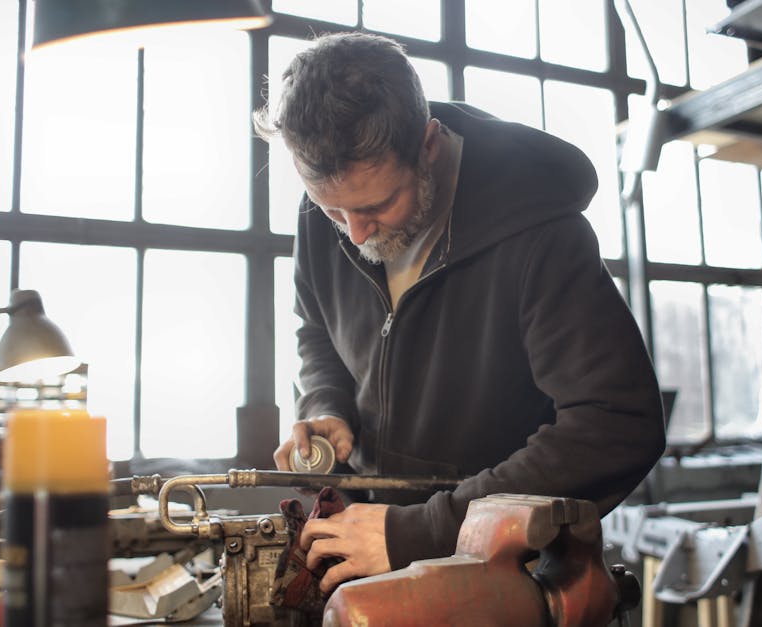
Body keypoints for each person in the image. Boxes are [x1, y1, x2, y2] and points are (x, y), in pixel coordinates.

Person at [253, 31, 666, 595]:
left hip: (507, 576)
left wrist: (422, 531)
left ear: (428, 145)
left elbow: (615, 424)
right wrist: (326, 404)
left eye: (376, 206)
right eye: (331, 210)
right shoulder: (327, 208)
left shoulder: (542, 234)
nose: (353, 233)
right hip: (365, 554)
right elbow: (317, 330)